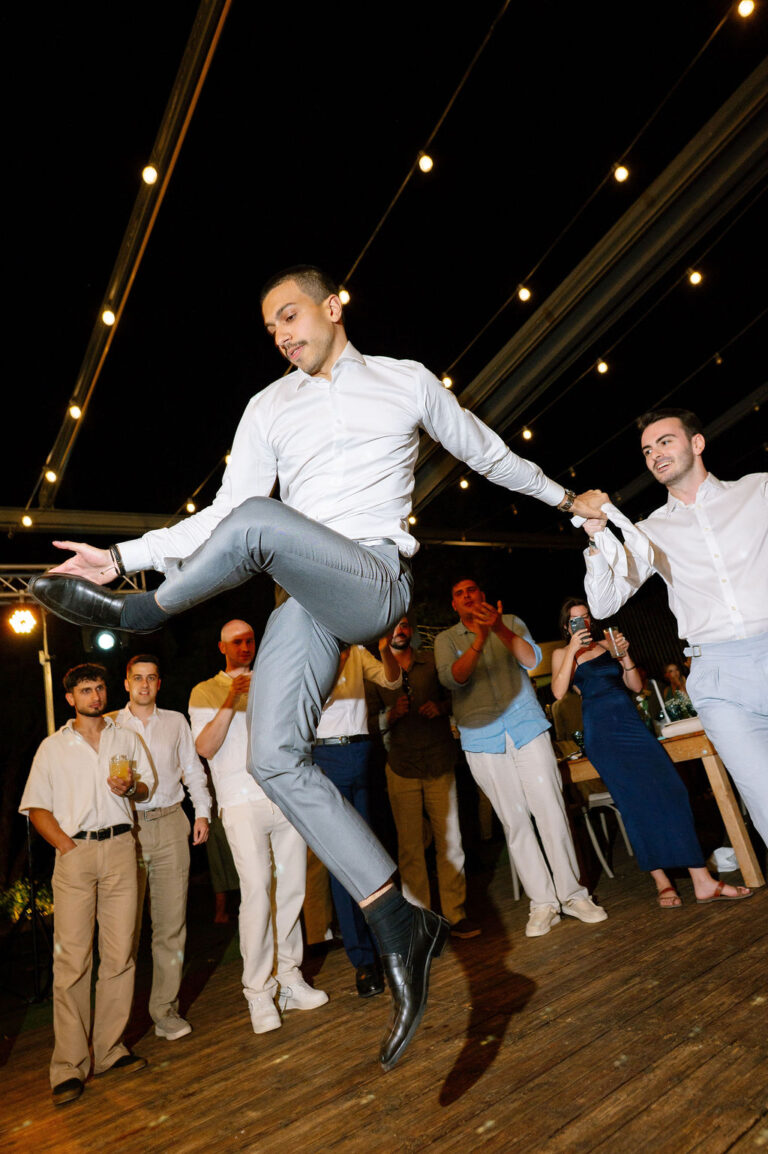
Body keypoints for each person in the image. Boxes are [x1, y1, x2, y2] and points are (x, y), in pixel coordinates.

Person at [30, 265, 608, 1070]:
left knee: (266, 523)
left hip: (372, 576)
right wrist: (126, 553)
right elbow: (225, 516)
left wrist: (562, 496)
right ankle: (398, 919)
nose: (282, 333)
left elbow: (489, 451)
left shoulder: (404, 383)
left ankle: (142, 614)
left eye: (291, 314)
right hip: (301, 593)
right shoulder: (269, 407)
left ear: (334, 307)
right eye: (270, 326)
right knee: (271, 758)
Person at [575, 407, 768, 849]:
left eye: (665, 441)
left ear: (697, 443)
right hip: (720, 678)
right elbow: (604, 603)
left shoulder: (758, 491)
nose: (655, 454)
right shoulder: (649, 531)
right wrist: (597, 537)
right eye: (647, 450)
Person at [434, 578, 608, 937]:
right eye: (459, 594)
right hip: (482, 739)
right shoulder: (445, 640)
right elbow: (455, 679)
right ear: (454, 605)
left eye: (472, 590)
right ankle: (543, 904)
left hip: (526, 727)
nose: (467, 596)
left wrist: (495, 627)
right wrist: (480, 640)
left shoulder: (510, 621)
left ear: (483, 595)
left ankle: (573, 895)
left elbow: (531, 659)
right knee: (514, 823)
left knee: (550, 810)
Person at [551, 600, 751, 908]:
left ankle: (702, 880)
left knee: (672, 791)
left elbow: (634, 684)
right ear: (566, 626)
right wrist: (572, 651)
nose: (583, 624)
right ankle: (662, 882)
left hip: (631, 724)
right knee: (634, 804)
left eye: (586, 618)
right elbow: (558, 692)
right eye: (575, 621)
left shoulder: (607, 644)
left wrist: (625, 653)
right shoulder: (562, 655)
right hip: (602, 733)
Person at [19, 663, 156, 1106]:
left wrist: (132, 786)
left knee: (120, 956)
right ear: (70, 699)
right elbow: (37, 808)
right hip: (75, 854)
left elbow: (146, 790)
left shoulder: (125, 737)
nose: (95, 696)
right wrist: (66, 847)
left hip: (120, 848)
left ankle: (112, 1049)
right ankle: (68, 1067)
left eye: (99, 687)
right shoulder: (52, 748)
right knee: (72, 963)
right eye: (85, 690)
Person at [188, 619, 327, 1034]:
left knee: (292, 889)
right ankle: (258, 991)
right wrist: (232, 697)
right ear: (222, 647)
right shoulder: (204, 690)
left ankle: (289, 977)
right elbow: (204, 748)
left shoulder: (273, 678)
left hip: (282, 795)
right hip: (240, 801)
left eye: (250, 640)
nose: (245, 647)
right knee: (256, 894)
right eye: (236, 642)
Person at [112, 654, 212, 1041]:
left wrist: (201, 813)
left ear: (159, 683)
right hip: (128, 829)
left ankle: (165, 1012)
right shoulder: (110, 725)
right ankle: (116, 1026)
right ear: (126, 684)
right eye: (137, 678)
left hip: (171, 822)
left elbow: (192, 769)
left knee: (171, 926)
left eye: (151, 678)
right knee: (124, 930)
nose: (144, 685)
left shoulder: (176, 721)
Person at [373, 615, 480, 940]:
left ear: (412, 629)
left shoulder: (432, 661)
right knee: (410, 848)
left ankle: (456, 914)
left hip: (438, 760)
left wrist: (441, 706)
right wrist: (390, 715)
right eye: (394, 626)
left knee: (451, 842)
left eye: (405, 624)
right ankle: (422, 922)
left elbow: (460, 695)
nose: (400, 630)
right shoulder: (376, 671)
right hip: (401, 765)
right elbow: (365, 718)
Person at [311, 637, 402, 998]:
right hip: (326, 755)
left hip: (362, 750)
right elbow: (315, 700)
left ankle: (392, 947)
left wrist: (383, 649)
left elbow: (392, 681)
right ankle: (363, 962)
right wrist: (336, 657)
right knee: (343, 862)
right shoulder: (311, 652)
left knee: (375, 854)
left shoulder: (360, 654)